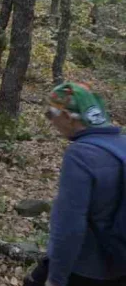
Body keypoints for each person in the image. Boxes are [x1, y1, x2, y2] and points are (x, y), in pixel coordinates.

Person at [24, 82, 126, 286]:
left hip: (85, 268)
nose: (50, 121)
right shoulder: (123, 145)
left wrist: (56, 278)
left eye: (50, 114)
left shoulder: (80, 155)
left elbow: (69, 226)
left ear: (68, 117)